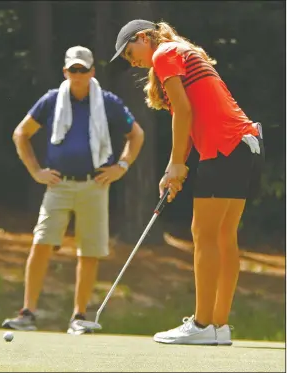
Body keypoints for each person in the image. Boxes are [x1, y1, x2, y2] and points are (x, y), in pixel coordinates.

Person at [110, 20, 265, 345]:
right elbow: (194, 114)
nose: (131, 60)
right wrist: (178, 168)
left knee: (204, 234)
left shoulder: (165, 52)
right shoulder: (184, 51)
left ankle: (201, 323)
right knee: (224, 237)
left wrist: (176, 163)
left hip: (225, 147)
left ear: (143, 37)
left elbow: (182, 110)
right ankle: (219, 327)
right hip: (245, 146)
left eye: (129, 51)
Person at [2, 46, 144, 335]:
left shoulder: (107, 102)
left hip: (95, 184)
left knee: (89, 251)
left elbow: (136, 134)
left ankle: (78, 316)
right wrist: (35, 172)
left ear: (92, 71)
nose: (77, 75)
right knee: (41, 243)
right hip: (58, 184)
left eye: (83, 70)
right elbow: (21, 133)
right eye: (72, 70)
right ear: (65, 72)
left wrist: (122, 166)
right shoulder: (52, 100)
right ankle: (28, 312)